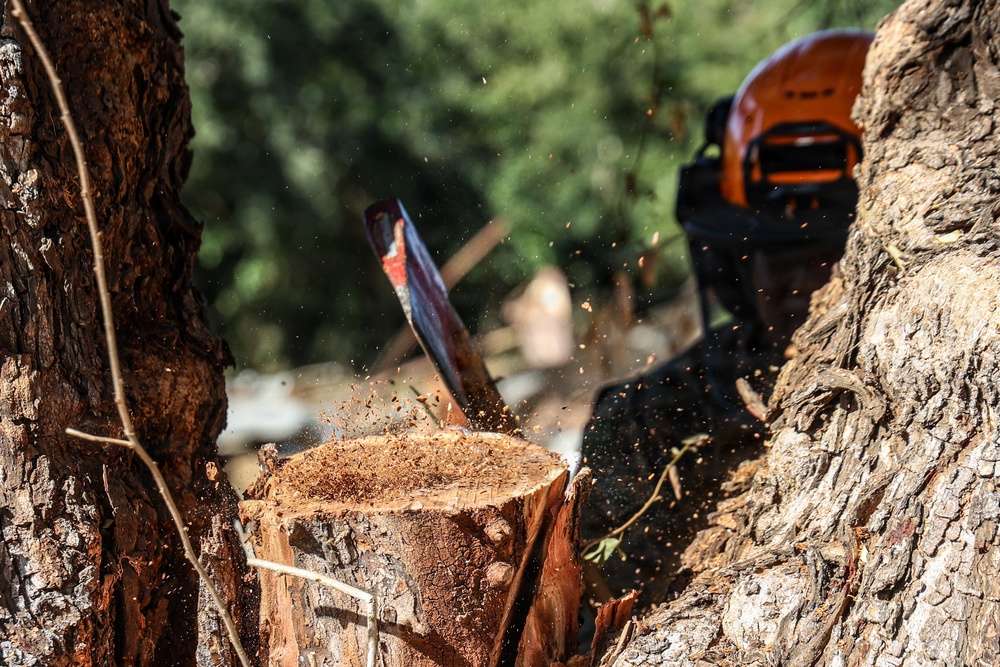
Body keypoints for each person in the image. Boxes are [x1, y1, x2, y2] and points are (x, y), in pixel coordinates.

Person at [580, 28, 874, 609]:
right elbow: (591, 616)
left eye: (825, 258)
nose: (799, 286)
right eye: (775, 257)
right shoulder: (651, 420)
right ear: (735, 263)